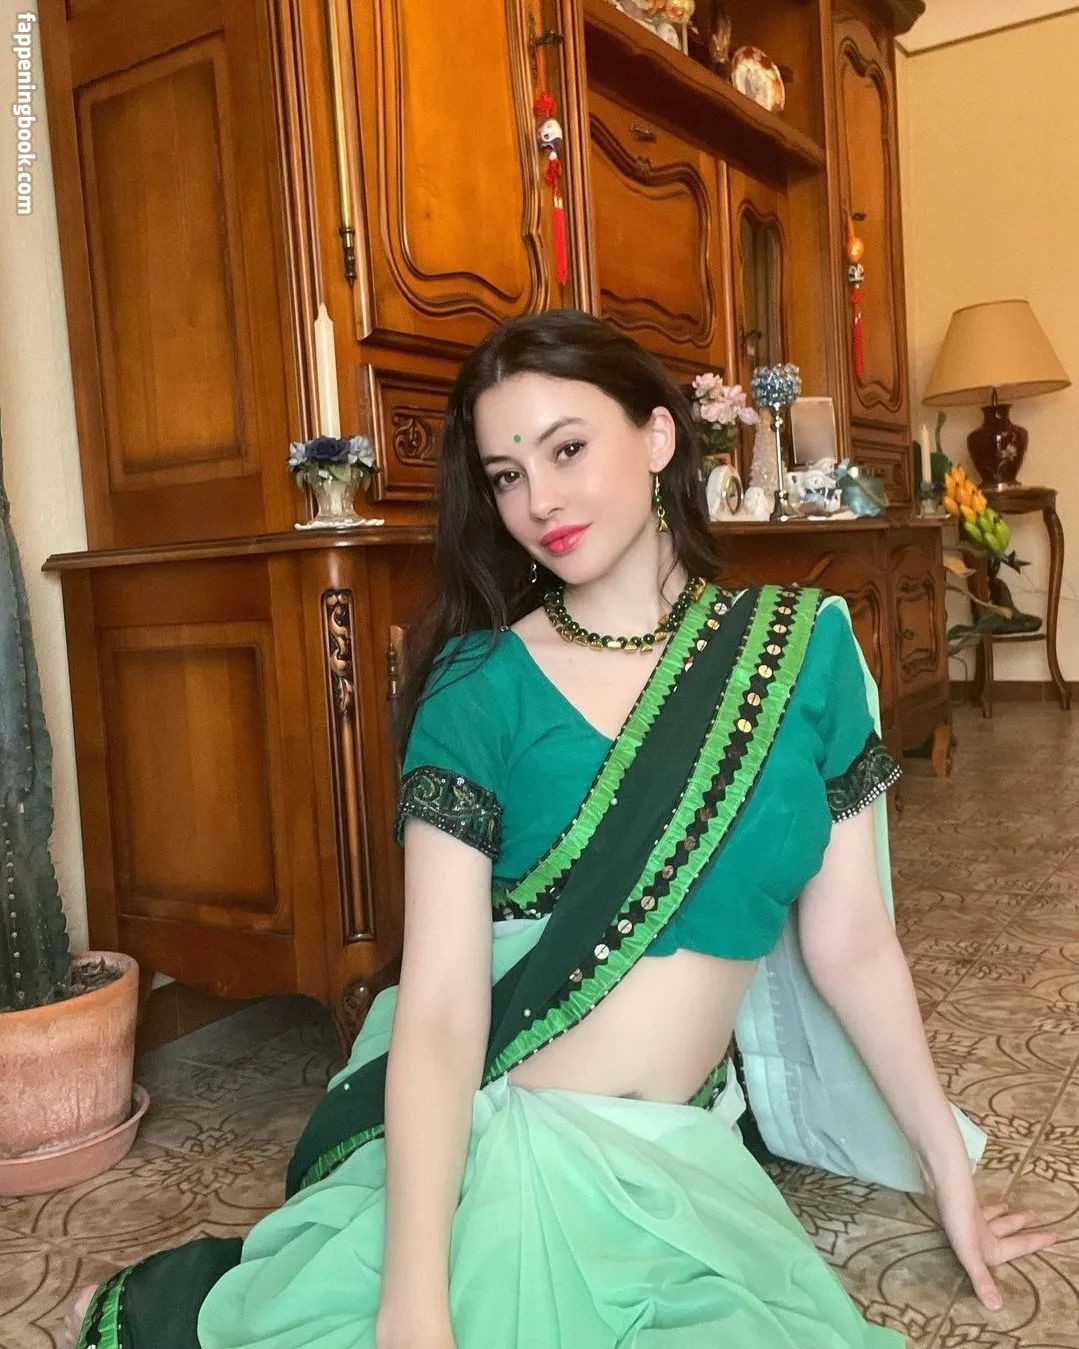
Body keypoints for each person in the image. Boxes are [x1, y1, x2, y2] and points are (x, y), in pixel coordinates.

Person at [71, 310, 1053, 1349]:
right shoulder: (477, 685)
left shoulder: (799, 651)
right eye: (505, 474)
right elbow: (440, 1009)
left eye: (567, 448)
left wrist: (946, 1171)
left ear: (657, 435)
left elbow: (850, 942)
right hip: (500, 1149)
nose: (536, 500)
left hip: (676, 1166)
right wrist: (415, 1304)